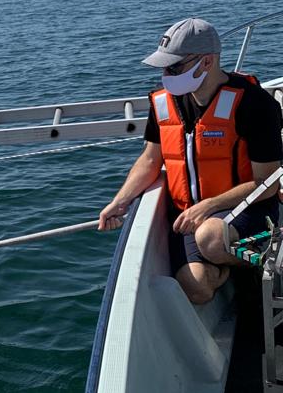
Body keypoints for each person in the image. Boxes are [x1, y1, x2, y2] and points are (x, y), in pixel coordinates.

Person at [98, 17, 282, 304]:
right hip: (192, 217)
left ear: (207, 62)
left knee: (209, 236)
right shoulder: (163, 103)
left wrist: (208, 206)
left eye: (174, 66)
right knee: (194, 288)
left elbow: (267, 185)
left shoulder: (255, 104)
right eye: (164, 67)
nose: (167, 74)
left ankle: (260, 264)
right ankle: (226, 269)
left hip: (249, 209)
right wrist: (120, 201)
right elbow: (149, 159)